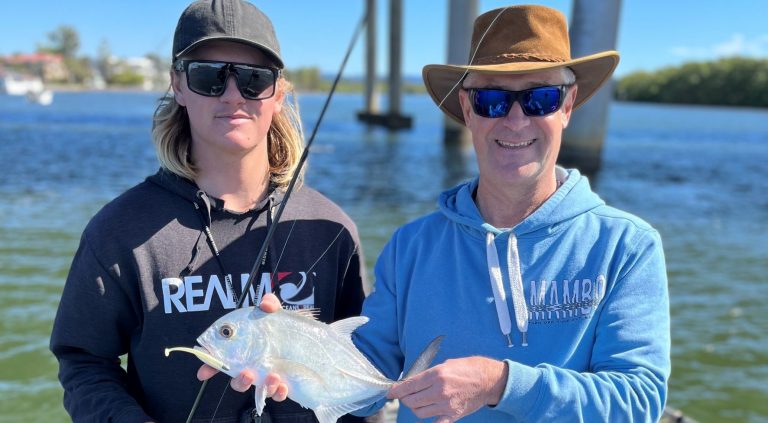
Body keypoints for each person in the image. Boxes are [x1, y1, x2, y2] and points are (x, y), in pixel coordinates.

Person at [206, 4, 670, 423]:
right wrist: (288, 346)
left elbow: (639, 401)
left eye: (539, 98)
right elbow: (368, 384)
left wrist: (501, 384)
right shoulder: (410, 247)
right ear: (466, 109)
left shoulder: (627, 246)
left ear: (567, 106)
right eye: (491, 99)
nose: (514, 119)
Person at [49, 1, 369, 422]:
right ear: (178, 86)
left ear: (279, 94)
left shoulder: (331, 229)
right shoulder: (120, 231)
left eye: (254, 80)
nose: (233, 95)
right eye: (209, 76)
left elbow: (363, 359)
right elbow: (85, 361)